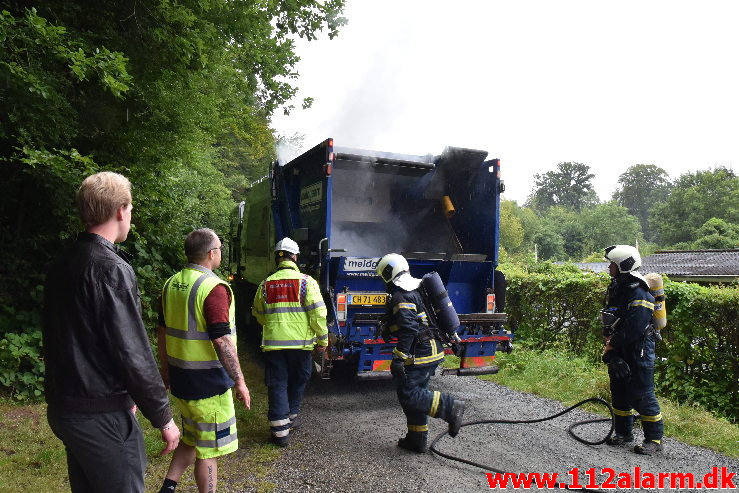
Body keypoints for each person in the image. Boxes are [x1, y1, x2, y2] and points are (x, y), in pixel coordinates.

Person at [43, 171, 180, 493]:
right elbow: (131, 351)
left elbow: (82, 340)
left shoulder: (64, 262)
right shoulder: (110, 269)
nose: (131, 216)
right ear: (120, 210)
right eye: (131, 208)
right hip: (97, 414)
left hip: (65, 408)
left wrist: (126, 396)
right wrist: (163, 417)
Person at [156, 228, 251, 493]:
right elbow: (221, 341)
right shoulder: (214, 289)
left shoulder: (171, 284)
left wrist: (165, 371)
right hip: (208, 386)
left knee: (192, 437)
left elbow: (162, 333)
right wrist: (240, 380)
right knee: (208, 450)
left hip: (182, 381)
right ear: (212, 254)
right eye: (219, 248)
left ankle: (168, 488)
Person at [376, 253, 466, 453]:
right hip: (429, 349)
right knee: (416, 393)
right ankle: (416, 439)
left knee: (410, 395)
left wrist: (399, 357)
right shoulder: (416, 289)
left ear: (389, 273)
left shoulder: (402, 295)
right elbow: (414, 322)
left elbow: (409, 329)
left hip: (421, 352)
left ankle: (451, 407)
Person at [251, 237, 328, 447]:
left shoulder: (265, 284)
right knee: (300, 378)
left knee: (277, 383)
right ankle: (291, 417)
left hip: (274, 345)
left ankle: (279, 432)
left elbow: (258, 313)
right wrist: (323, 340)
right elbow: (318, 314)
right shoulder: (306, 282)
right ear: (294, 257)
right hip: (301, 345)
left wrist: (275, 324)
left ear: (278, 258)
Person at [601, 244, 664, 455]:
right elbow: (612, 317)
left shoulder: (640, 292)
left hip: (639, 349)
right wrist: (610, 346)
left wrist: (612, 345)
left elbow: (635, 328)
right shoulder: (618, 286)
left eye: (612, 264)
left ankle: (654, 440)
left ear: (623, 266)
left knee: (641, 394)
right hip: (620, 345)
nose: (609, 267)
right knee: (619, 391)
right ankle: (623, 433)